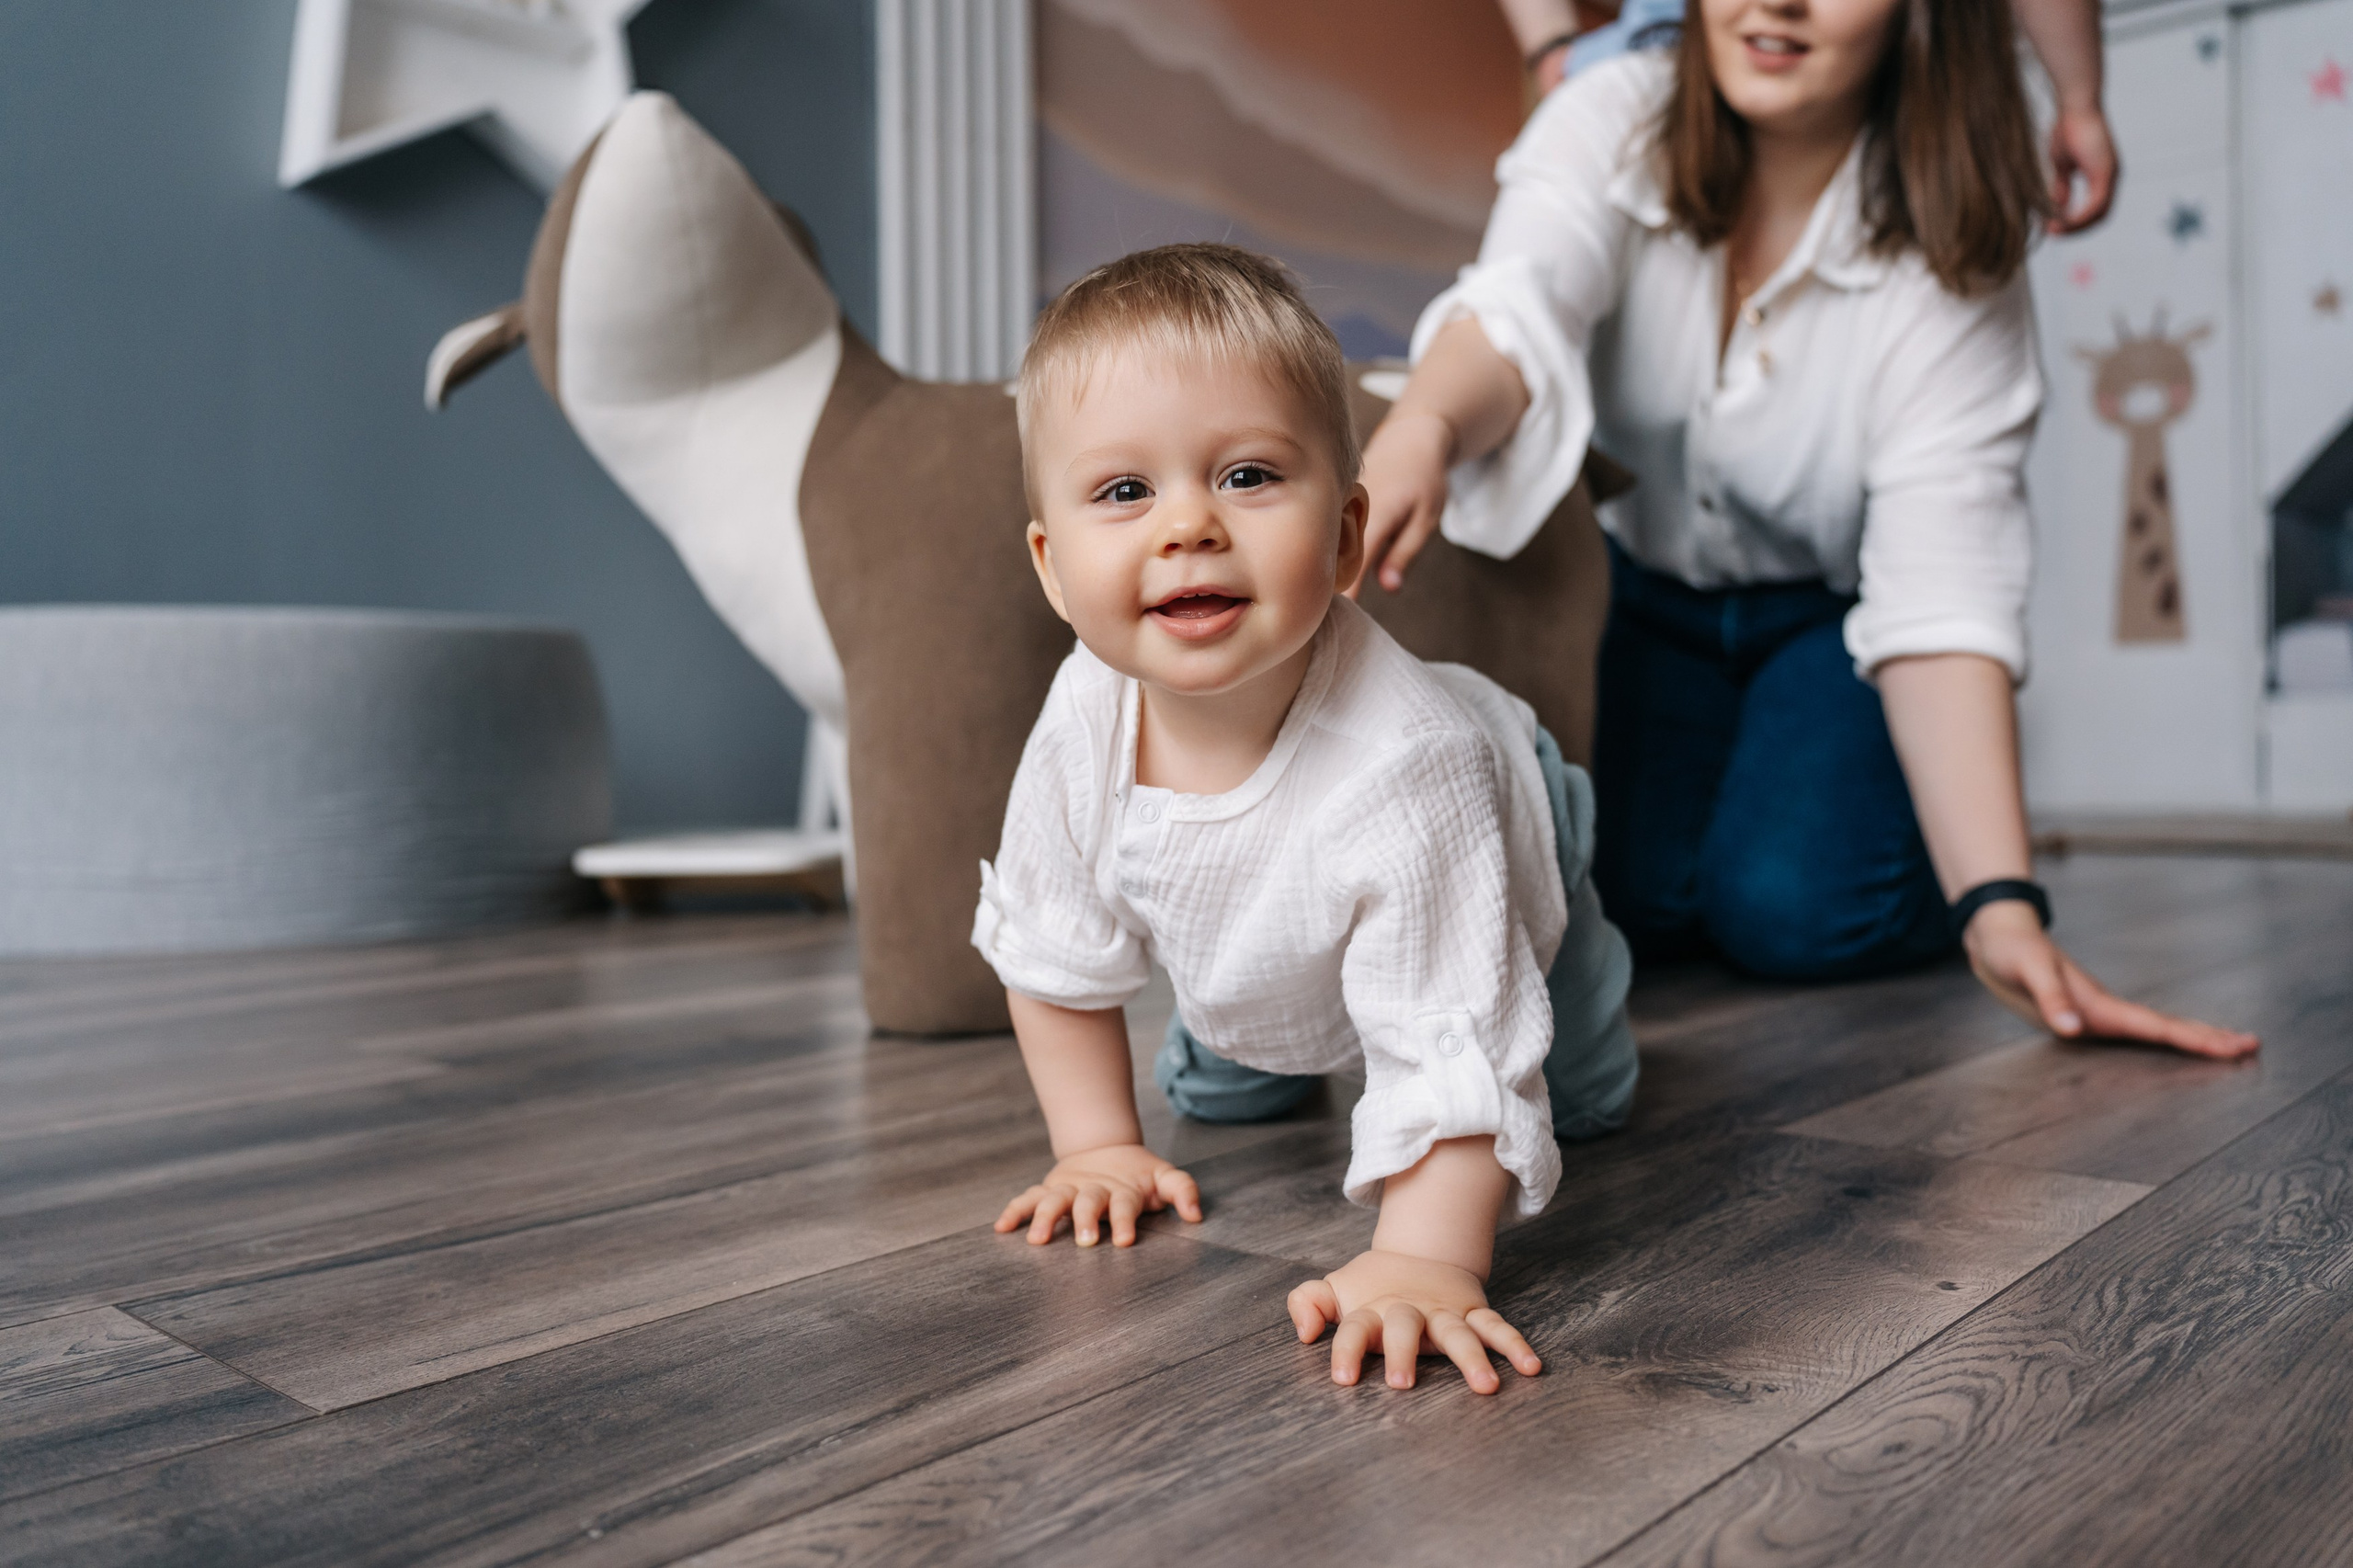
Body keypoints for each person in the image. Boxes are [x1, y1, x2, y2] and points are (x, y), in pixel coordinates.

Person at [1358, 0, 2257, 1059]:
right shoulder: (1607, 112)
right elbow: (1517, 310)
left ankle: (1926, 845)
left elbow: (1941, 593)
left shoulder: (1951, 244)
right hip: (1645, 599)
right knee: (1635, 900)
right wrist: (1423, 423)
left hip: (1833, 625)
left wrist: (2000, 904)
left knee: (1791, 911)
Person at [973, 244, 1639, 1393]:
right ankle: (1263, 1040)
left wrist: (1423, 1257)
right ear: (1052, 567)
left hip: (1505, 840)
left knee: (1571, 1087)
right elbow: (1054, 940)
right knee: (1216, 1080)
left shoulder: (1409, 763)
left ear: (1341, 538)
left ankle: (1586, 999)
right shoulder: (1085, 708)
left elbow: (1455, 1042)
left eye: (1245, 476)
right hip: (1271, 927)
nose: (1186, 525)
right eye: (1124, 491)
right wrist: (1096, 1145)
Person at [1495, 0, 2121, 235]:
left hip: (1873, 119)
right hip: (1653, 85)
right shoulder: (1611, 111)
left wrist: (2079, 99)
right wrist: (2078, 100)